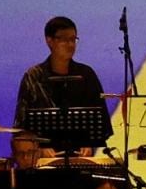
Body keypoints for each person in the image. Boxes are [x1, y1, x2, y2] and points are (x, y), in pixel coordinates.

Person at [14, 15, 107, 145]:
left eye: (73, 39)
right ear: (49, 41)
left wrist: (88, 145)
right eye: (64, 40)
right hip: (42, 153)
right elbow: (21, 127)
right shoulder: (34, 76)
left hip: (80, 152)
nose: (70, 45)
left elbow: (101, 122)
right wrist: (39, 147)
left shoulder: (86, 74)